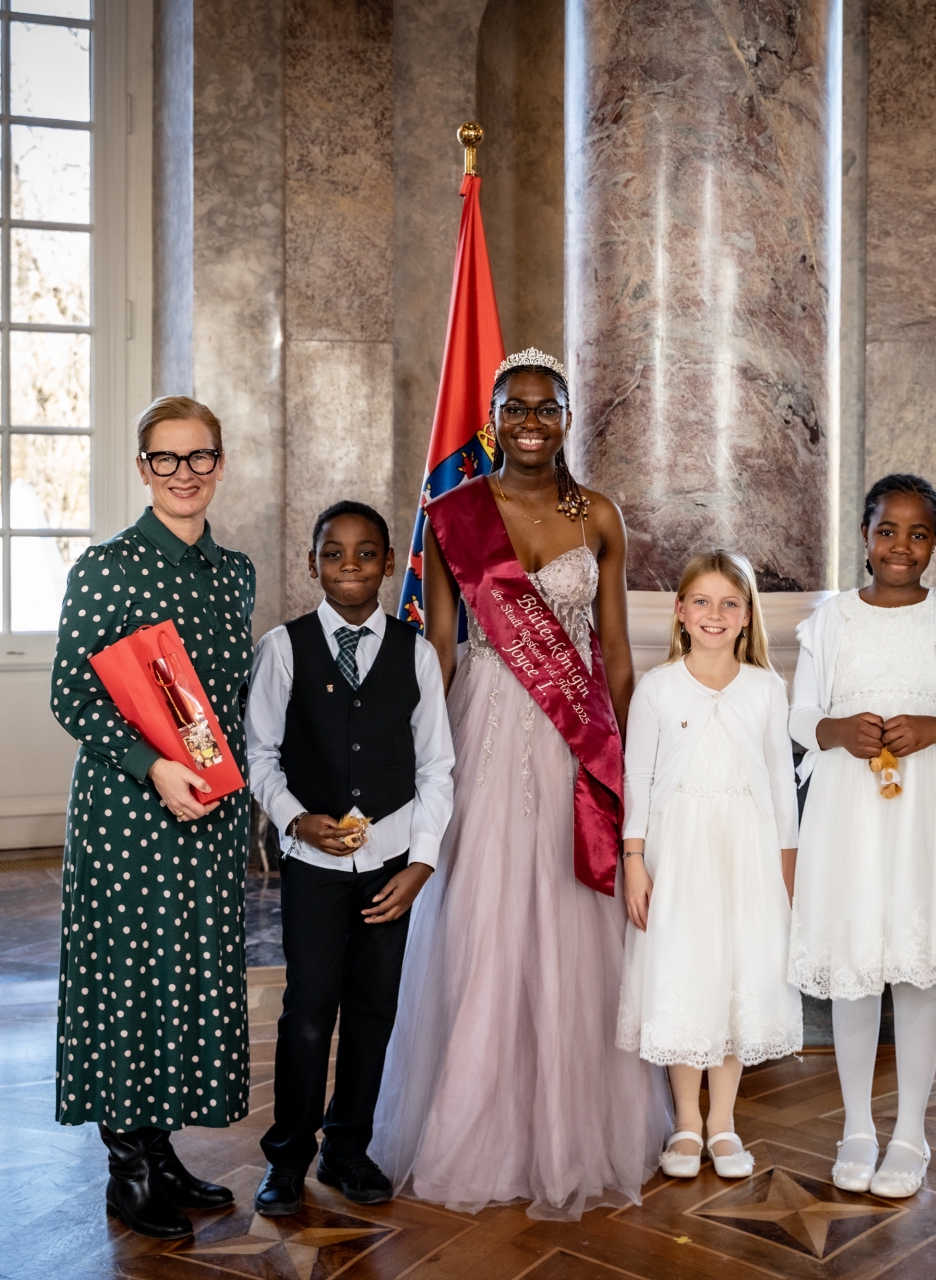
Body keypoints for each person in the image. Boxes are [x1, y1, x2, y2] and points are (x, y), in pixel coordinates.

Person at [370, 349, 670, 1220]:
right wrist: (416, 755)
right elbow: (438, 648)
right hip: (486, 723)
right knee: (483, 912)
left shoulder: (599, 515)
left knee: (574, 919)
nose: (530, 422)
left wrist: (632, 765)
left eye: (546, 408)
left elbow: (616, 653)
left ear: (567, 418)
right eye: (515, 407)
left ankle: (574, 1128)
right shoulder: (452, 512)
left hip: (574, 731)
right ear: (493, 418)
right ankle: (474, 1124)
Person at [50, 396, 254, 1240]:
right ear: (143, 468)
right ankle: (127, 1168)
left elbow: (230, 701)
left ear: (219, 464)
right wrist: (154, 767)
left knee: (185, 975)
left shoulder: (234, 572)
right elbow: (72, 694)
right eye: (165, 459)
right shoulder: (106, 568)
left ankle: (161, 1151)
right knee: (130, 978)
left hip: (209, 816)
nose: (183, 474)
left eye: (199, 457)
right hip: (129, 815)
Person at [242, 501, 456, 1214]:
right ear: (314, 564)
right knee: (307, 1013)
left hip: (391, 867)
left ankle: (347, 1148)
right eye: (334, 553)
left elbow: (437, 769)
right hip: (314, 869)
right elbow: (260, 756)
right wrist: (295, 819)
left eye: (367, 553)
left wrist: (421, 863)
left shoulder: (415, 654)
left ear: (389, 564)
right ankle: (287, 1157)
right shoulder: (283, 648)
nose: (350, 566)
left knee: (372, 1011)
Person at [788, 473, 936, 1200]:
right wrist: (835, 729)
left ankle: (909, 1133)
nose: (901, 546)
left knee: (914, 965)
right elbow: (800, 715)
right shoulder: (830, 621)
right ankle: (856, 1127)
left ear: (935, 542)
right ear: (865, 536)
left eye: (918, 533)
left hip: (925, 808)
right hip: (848, 807)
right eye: (886, 531)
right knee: (854, 965)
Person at [617, 550, 802, 1182]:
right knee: (684, 974)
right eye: (701, 601)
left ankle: (722, 1121)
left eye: (729, 603)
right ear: (680, 611)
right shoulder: (659, 687)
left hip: (747, 855)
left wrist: (788, 869)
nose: (714, 614)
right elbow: (637, 778)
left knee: (734, 980)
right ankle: (686, 1123)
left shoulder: (766, 689)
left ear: (747, 616)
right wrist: (634, 860)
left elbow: (781, 784)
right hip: (677, 854)